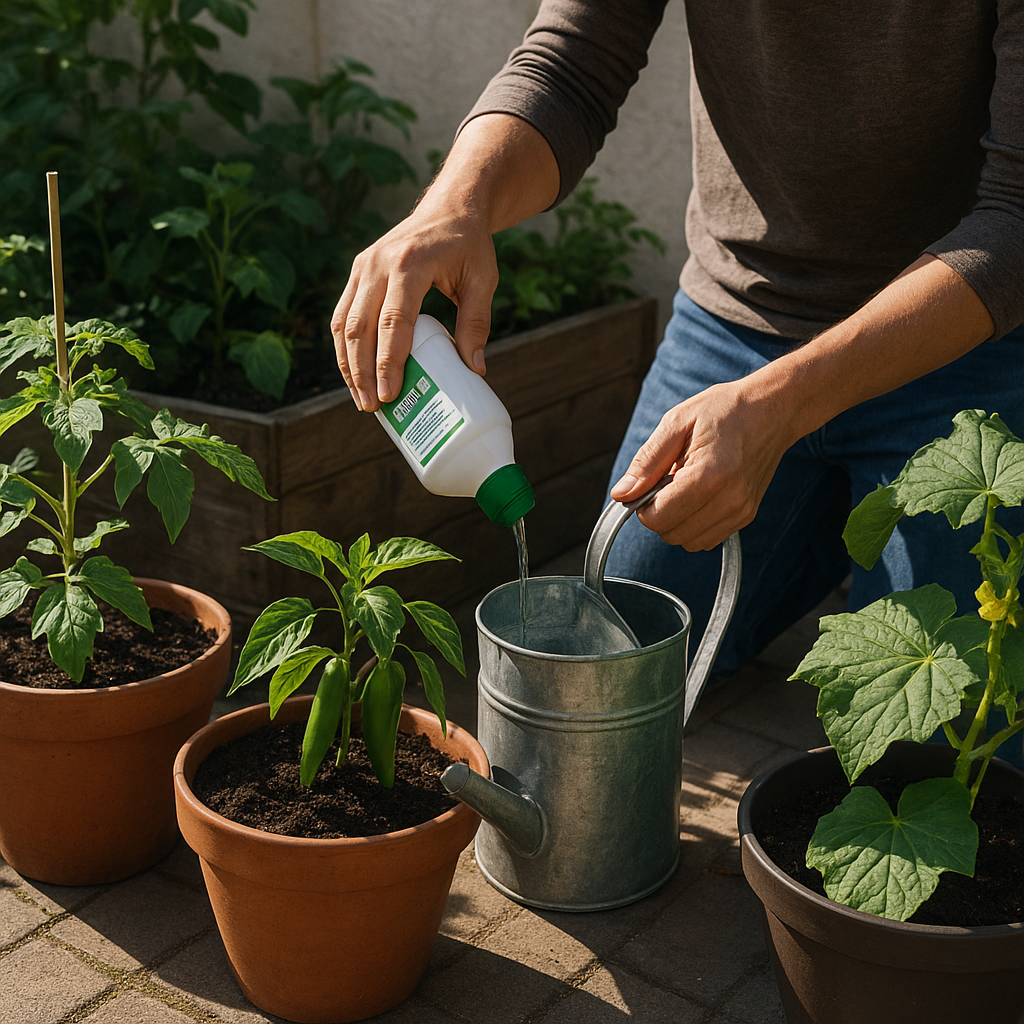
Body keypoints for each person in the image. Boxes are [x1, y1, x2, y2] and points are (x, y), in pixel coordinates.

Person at [331, 2, 1024, 696]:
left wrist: (784, 407)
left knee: (944, 737)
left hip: (963, 338)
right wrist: (457, 203)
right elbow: (572, 67)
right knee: (615, 664)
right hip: (740, 318)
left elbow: (1017, 213)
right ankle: (821, 518)